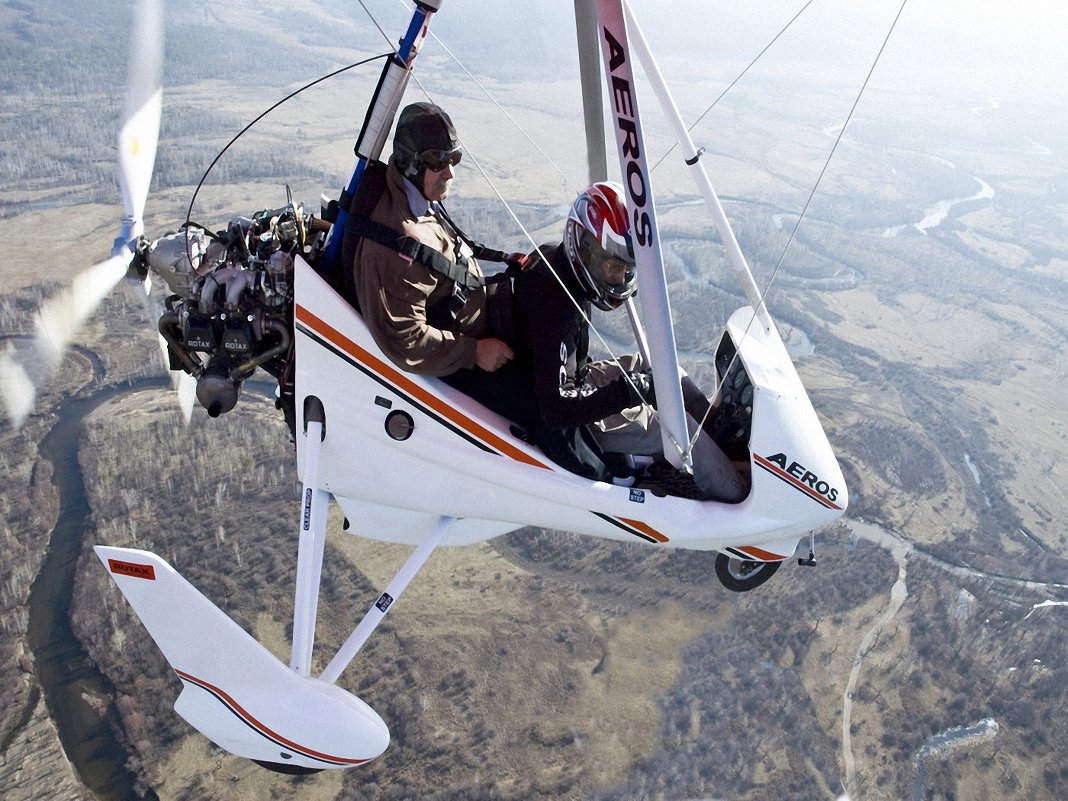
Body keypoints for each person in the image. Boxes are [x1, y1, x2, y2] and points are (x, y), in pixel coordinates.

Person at [509, 182, 747, 503]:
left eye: (626, 269)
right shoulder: (557, 308)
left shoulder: (557, 260)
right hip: (563, 421)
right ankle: (733, 489)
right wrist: (626, 392)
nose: (620, 280)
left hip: (558, 380)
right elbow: (555, 410)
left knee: (668, 373)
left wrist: (635, 384)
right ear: (586, 246)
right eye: (613, 266)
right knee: (679, 430)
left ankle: (717, 444)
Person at [344, 102, 534, 424]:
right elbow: (405, 339)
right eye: (439, 161)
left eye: (454, 158)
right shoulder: (394, 248)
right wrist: (473, 352)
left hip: (477, 325)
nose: (451, 172)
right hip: (460, 362)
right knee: (538, 409)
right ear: (409, 161)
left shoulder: (411, 193)